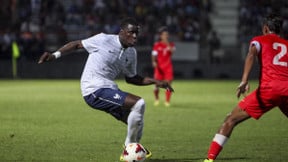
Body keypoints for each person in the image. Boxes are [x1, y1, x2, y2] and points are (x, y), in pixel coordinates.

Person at [38, 17, 174, 161]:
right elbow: (77, 44)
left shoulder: (131, 53)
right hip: (93, 88)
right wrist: (54, 55)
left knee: (135, 121)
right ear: (122, 32)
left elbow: (132, 78)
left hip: (109, 88)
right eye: (131, 32)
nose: (134, 36)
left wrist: (155, 82)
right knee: (139, 103)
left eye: (136, 33)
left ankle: (133, 150)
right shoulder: (103, 39)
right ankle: (130, 147)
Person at [204, 13, 288, 162]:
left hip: (269, 90)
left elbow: (251, 55)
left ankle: (209, 159)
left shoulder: (258, 40)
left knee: (230, 120)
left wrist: (244, 80)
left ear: (265, 28)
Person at [151, 26, 175, 107]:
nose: (166, 36)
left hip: (168, 67)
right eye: (164, 35)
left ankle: (167, 101)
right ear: (161, 36)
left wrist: (167, 43)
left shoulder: (171, 44)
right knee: (156, 85)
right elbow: (154, 54)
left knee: (168, 84)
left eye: (167, 35)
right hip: (159, 68)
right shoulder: (157, 45)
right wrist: (154, 62)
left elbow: (172, 52)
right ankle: (157, 99)